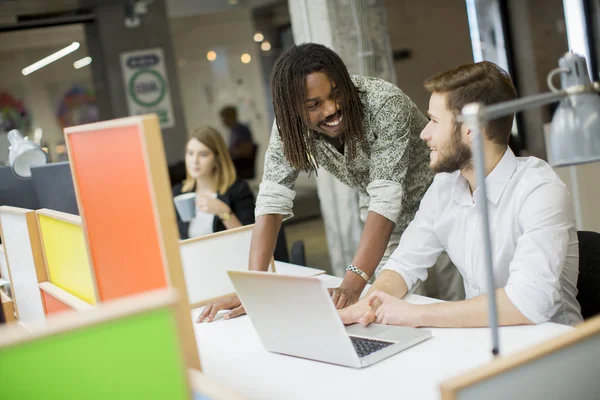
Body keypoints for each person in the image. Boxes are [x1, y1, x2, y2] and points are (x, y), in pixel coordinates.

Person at [197, 43, 462, 324]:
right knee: (391, 311)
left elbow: (386, 198)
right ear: (295, 111)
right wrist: (254, 287)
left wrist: (351, 283)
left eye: (336, 94)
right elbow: (271, 200)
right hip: (388, 224)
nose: (333, 108)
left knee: (455, 301)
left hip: (443, 203)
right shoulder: (290, 127)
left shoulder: (382, 102)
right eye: (314, 105)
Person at [340, 61, 582, 328]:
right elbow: (403, 264)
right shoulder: (445, 186)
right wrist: (365, 307)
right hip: (481, 343)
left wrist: (415, 314)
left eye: (434, 121)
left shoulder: (540, 189)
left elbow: (528, 303)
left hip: (552, 350)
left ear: (471, 129)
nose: (424, 133)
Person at [172, 126, 255, 239]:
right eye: (190, 153)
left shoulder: (238, 190)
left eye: (203, 154)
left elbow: (249, 238)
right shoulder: (179, 193)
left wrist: (224, 212)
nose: (194, 161)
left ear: (217, 159)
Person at [220, 106, 256, 179]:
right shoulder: (233, 131)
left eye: (224, 118)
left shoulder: (241, 130)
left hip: (241, 164)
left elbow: (247, 149)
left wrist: (230, 153)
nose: (223, 121)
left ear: (229, 118)